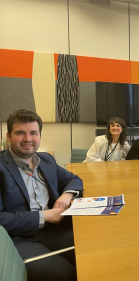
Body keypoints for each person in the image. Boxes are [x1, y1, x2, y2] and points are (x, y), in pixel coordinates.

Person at [0, 109, 83, 281]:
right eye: (20, 133)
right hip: (18, 238)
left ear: (39, 135)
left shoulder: (46, 160)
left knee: (96, 246)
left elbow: (74, 179)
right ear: (8, 136)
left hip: (53, 231)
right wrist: (43, 216)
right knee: (65, 274)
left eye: (33, 133)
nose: (28, 139)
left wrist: (66, 195)